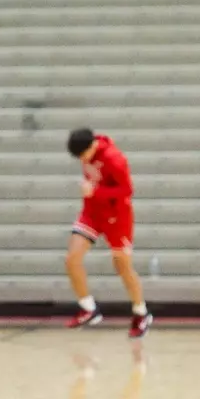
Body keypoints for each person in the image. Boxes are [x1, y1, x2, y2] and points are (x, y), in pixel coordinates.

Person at [65, 128, 152, 338]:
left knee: (122, 266)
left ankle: (141, 312)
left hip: (117, 217)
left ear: (92, 146)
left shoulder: (115, 159)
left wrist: (96, 191)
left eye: (83, 156)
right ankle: (89, 308)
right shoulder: (86, 151)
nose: (82, 160)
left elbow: (127, 190)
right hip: (93, 212)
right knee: (72, 259)